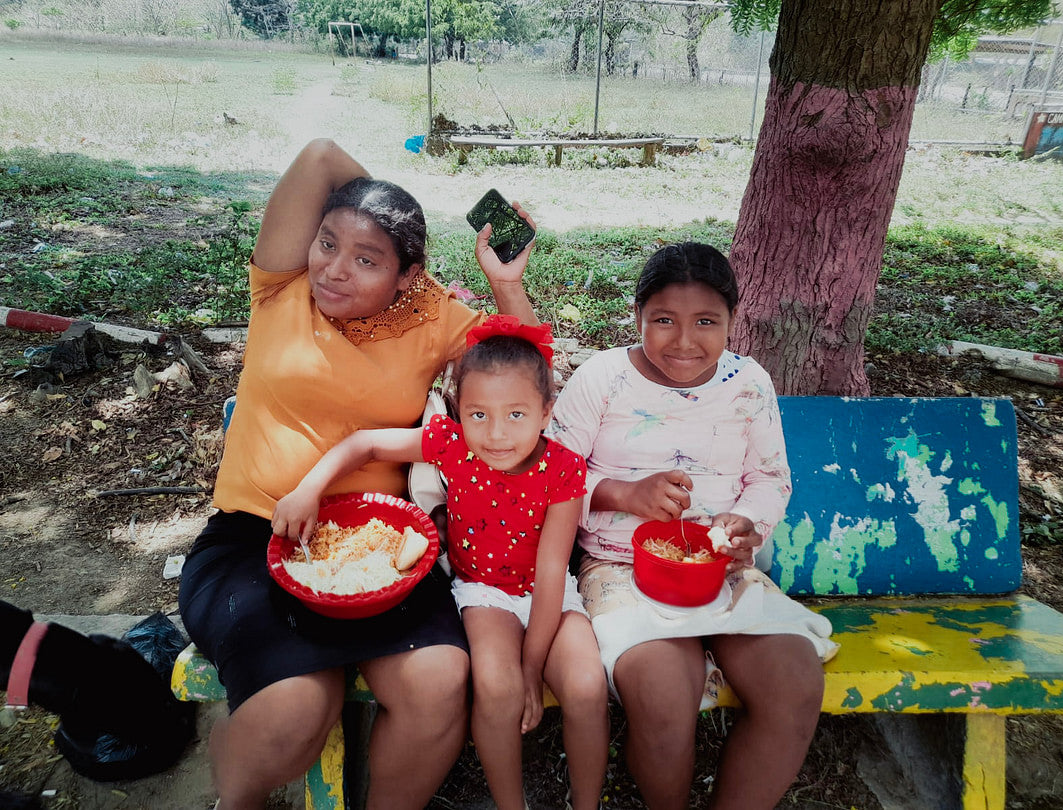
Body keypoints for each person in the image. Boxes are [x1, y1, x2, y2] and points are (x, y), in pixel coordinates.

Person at [178, 138, 540, 810]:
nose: (335, 270)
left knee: (438, 682)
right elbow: (319, 157)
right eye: (328, 243)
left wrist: (507, 283)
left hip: (379, 552)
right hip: (254, 542)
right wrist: (378, 216)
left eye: (367, 259)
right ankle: (236, 789)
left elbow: (525, 384)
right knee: (294, 716)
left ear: (409, 276)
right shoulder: (281, 287)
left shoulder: (431, 317)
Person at [273, 315, 610, 810]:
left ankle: (587, 804)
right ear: (459, 411)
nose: (495, 434)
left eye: (516, 415)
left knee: (585, 686)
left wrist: (534, 667)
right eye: (478, 414)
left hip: (548, 593)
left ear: (546, 412)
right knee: (497, 688)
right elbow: (365, 443)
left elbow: (552, 570)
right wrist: (309, 488)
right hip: (485, 594)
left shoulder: (563, 469)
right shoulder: (451, 445)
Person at [547, 242, 839, 810]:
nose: (684, 341)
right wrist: (624, 493)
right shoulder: (603, 378)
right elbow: (548, 478)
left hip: (722, 572)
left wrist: (746, 521)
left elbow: (770, 478)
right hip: (620, 569)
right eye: (663, 321)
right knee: (661, 697)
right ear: (637, 318)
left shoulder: (749, 383)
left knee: (795, 684)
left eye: (707, 321)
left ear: (733, 320)